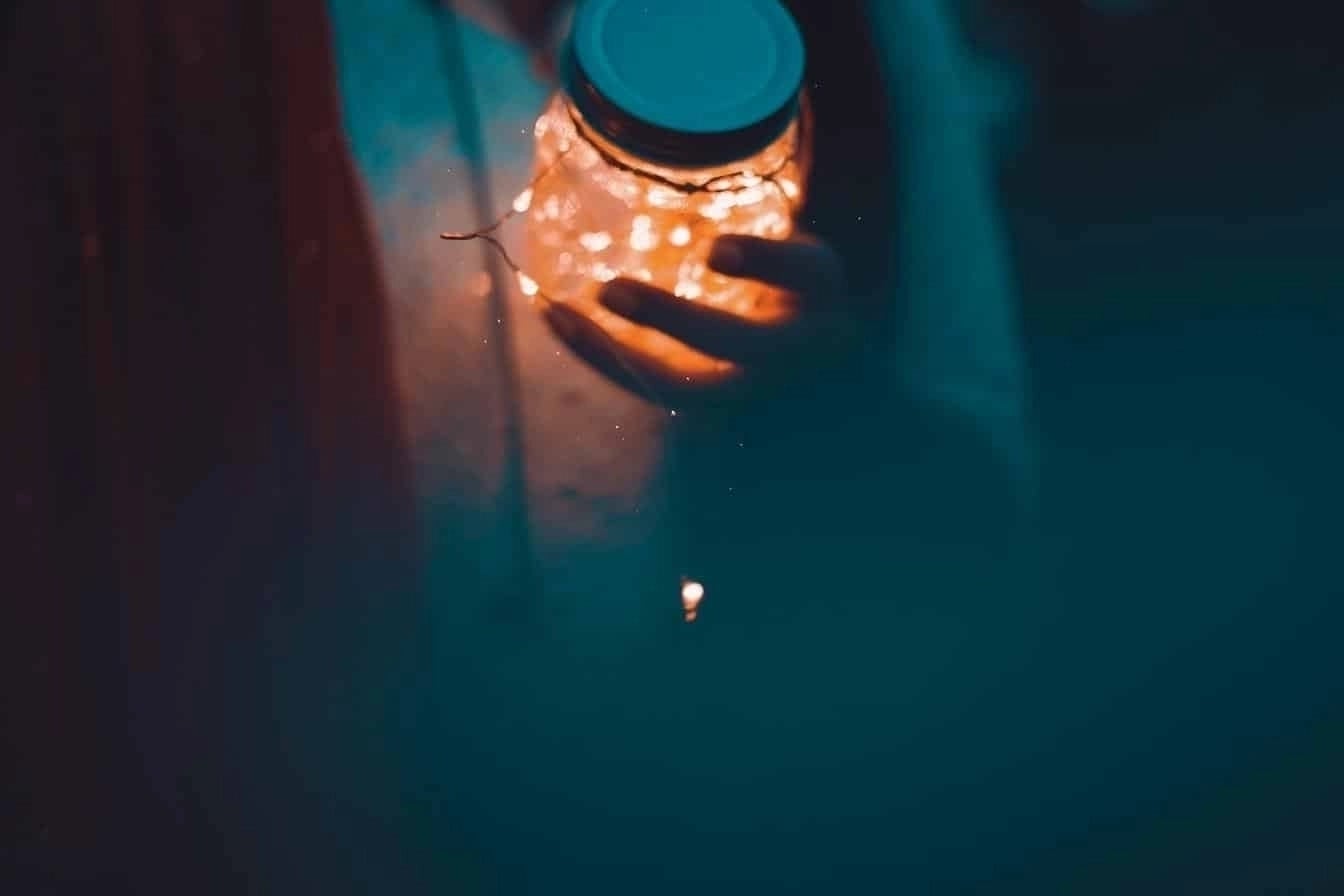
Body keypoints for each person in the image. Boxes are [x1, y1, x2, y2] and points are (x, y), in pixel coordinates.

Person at [6, 0, 1034, 891]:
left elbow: (992, 493)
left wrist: (826, 415)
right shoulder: (179, 48)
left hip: (730, 817)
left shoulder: (839, 31)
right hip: (343, 811)